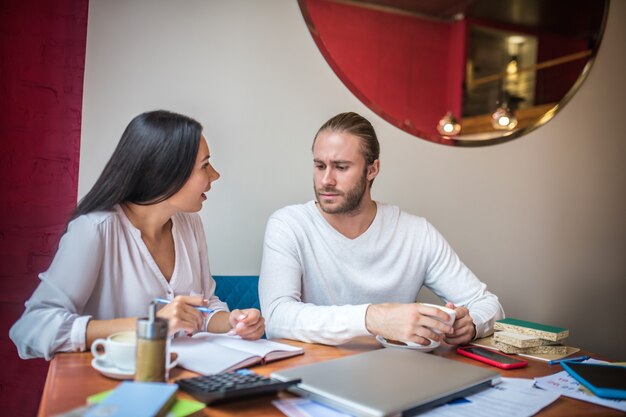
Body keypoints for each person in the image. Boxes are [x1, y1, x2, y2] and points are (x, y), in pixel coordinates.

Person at [10, 110, 265, 360]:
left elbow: (203, 308)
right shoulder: (95, 229)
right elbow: (32, 329)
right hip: (108, 388)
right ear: (164, 173)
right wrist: (151, 325)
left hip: (181, 380)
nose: (215, 175)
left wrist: (234, 321)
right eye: (205, 165)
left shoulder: (191, 224)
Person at [259, 112, 504, 346]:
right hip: (312, 371)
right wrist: (373, 318)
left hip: (395, 375)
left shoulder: (416, 233)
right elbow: (276, 317)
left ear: (372, 169)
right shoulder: (289, 225)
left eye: (341, 167)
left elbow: (488, 304)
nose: (326, 180)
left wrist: (471, 324)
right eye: (320, 166)